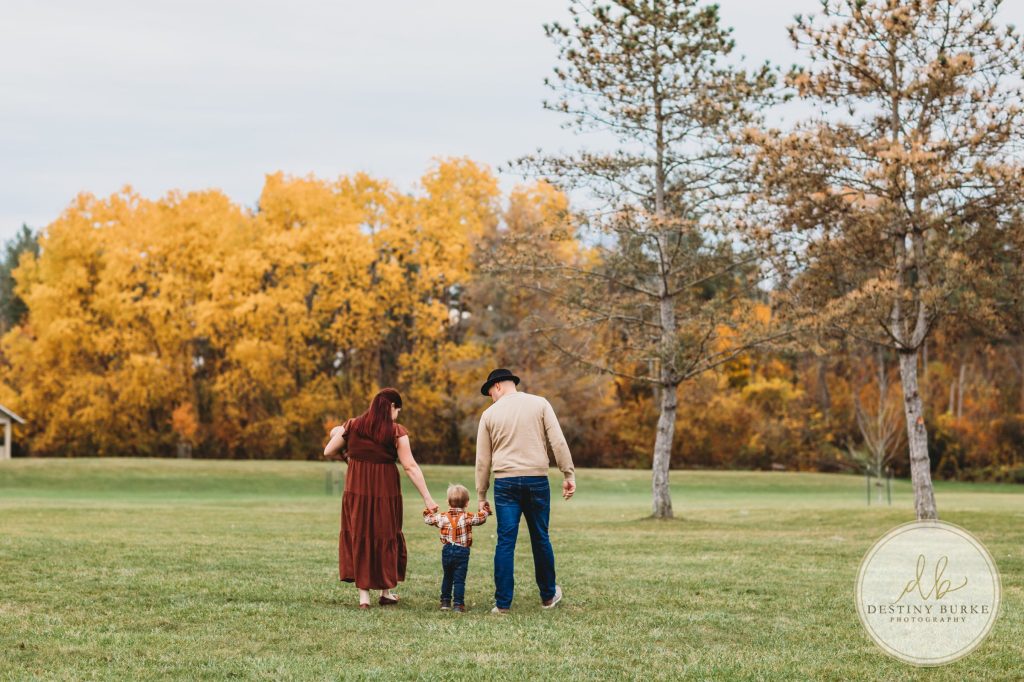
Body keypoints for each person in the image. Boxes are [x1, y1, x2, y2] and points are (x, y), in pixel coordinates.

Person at [323, 388, 438, 609]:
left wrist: (348, 457)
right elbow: (410, 467)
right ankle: (385, 592)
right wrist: (428, 498)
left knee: (359, 534)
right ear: (392, 407)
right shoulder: (396, 432)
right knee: (386, 535)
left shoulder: (353, 425)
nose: (397, 415)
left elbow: (329, 450)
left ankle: (364, 597)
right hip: (386, 491)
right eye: (398, 410)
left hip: (356, 490)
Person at [475, 368, 576, 614]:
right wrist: (568, 473)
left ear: (497, 386)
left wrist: (481, 495)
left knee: (505, 542)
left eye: (490, 391)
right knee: (541, 538)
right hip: (537, 480)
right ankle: (548, 596)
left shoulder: (489, 415)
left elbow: (482, 461)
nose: (491, 397)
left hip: (505, 483)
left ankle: (502, 603)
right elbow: (558, 441)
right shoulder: (540, 404)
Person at [422, 483, 490, 612]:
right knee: (459, 580)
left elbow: (428, 520)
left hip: (447, 550)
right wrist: (485, 510)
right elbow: (481, 518)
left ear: (448, 502)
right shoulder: (467, 517)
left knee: (447, 576)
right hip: (462, 552)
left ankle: (445, 603)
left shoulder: (442, 517)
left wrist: (429, 511)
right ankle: (458, 605)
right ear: (467, 503)